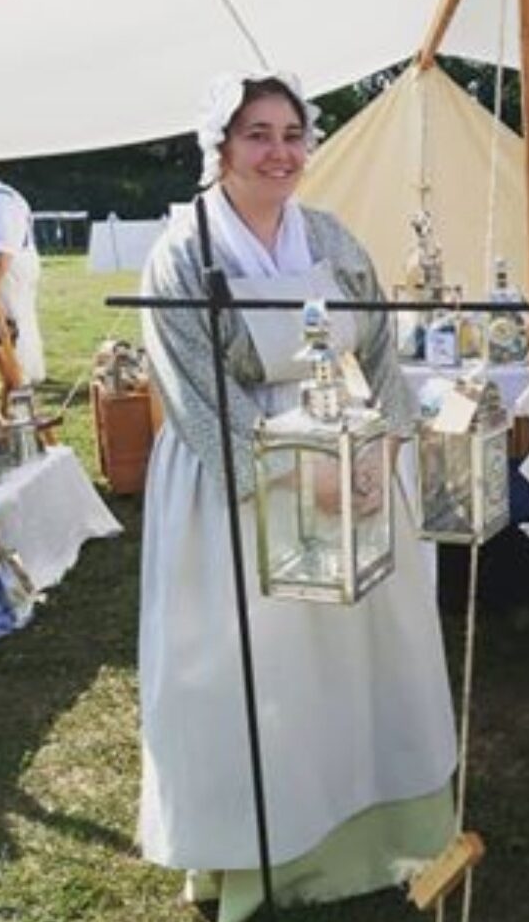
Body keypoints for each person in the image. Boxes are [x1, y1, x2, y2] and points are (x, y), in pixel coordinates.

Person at [138, 71, 456, 919]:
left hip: (344, 458)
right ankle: (250, 856)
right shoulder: (183, 252)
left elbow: (382, 340)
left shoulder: (330, 236)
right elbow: (192, 386)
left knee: (347, 660)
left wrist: (379, 439)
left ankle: (352, 830)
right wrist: (289, 471)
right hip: (234, 483)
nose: (279, 153)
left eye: (291, 134)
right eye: (257, 134)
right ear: (220, 148)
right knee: (249, 665)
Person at [0, 164, 46, 385]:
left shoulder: (0, 202)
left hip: (14, 267)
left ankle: (24, 372)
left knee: (15, 320)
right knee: (17, 318)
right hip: (8, 264)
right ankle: (27, 370)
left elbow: (6, 251)